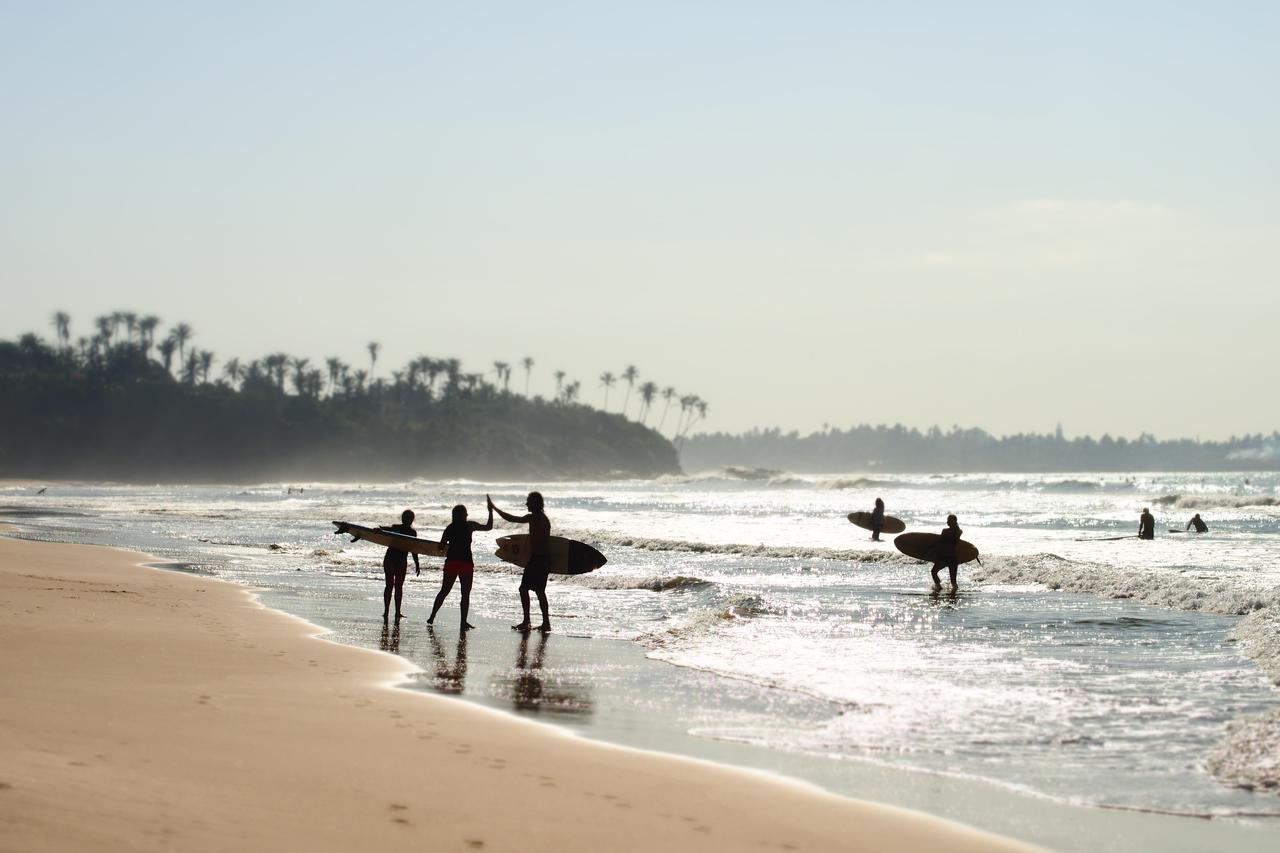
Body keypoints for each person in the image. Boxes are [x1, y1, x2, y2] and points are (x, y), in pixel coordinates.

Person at [489, 491, 553, 633]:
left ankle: (527, 622)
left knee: (524, 589)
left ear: (535, 503)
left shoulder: (534, 517)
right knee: (540, 591)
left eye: (528, 501)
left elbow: (512, 519)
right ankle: (545, 623)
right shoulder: (544, 518)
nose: (526, 504)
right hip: (544, 559)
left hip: (538, 560)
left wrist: (496, 509)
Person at [427, 502, 493, 632]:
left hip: (451, 562)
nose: (467, 515)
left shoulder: (450, 527)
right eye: (466, 513)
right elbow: (488, 527)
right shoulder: (470, 525)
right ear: (463, 515)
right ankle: (463, 622)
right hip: (465, 563)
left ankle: (432, 616)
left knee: (444, 591)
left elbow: (441, 546)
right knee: (465, 594)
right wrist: (490, 512)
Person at [380, 509, 421, 621]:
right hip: (390, 559)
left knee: (399, 587)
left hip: (401, 561)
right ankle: (386, 611)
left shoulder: (413, 533)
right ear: (402, 518)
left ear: (412, 520)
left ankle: (397, 612)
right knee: (389, 585)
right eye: (405, 517)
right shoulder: (396, 527)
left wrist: (417, 563)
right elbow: (386, 530)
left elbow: (414, 549)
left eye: (409, 518)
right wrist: (379, 529)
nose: (407, 520)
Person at [931, 514, 963, 591]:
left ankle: (938, 586)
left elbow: (940, 544)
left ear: (952, 521)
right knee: (953, 582)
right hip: (953, 558)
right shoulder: (959, 532)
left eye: (948, 520)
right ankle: (954, 595)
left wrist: (933, 554)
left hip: (944, 557)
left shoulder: (945, 531)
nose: (947, 522)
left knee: (933, 572)